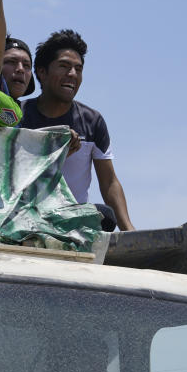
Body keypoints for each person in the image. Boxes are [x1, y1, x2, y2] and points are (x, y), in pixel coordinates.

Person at [19, 29, 134, 231]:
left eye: (78, 69)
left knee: (105, 216)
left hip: (73, 224)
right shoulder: (18, 116)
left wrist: (129, 231)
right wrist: (53, 151)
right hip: (24, 219)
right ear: (41, 72)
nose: (72, 74)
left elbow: (109, 182)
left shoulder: (93, 121)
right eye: (64, 66)